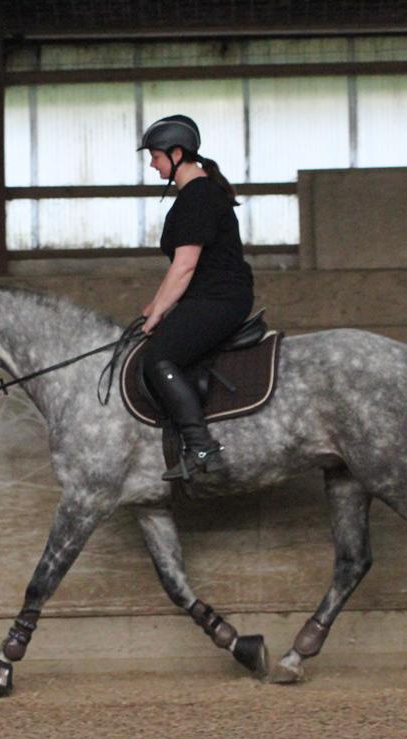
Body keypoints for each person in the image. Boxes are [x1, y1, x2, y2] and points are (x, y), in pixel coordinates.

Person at [137, 114, 255, 481]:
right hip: (207, 297)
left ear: (176, 154)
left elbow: (185, 266)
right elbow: (182, 269)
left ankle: (202, 448)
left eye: (155, 157)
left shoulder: (198, 196)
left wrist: (158, 312)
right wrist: (155, 305)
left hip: (218, 299)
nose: (152, 165)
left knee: (158, 357)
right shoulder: (195, 194)